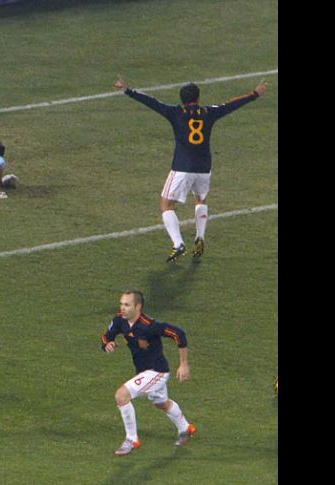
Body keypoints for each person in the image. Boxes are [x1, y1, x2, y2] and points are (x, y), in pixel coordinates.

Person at [114, 76, 267, 262]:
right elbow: (229, 105)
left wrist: (128, 90)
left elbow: (152, 102)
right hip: (204, 167)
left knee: (166, 205)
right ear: (198, 97)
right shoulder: (208, 112)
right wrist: (254, 94)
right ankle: (200, 237)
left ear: (182, 99)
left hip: (182, 167)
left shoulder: (175, 112)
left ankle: (178, 243)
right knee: (200, 199)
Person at [101, 290, 195, 456]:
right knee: (161, 403)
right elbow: (106, 336)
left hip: (157, 371)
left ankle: (132, 439)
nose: (122, 308)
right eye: (121, 303)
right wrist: (107, 344)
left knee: (121, 396)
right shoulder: (119, 320)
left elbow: (179, 334)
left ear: (138, 307)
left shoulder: (149, 326)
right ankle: (186, 428)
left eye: (127, 305)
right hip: (143, 372)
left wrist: (184, 364)